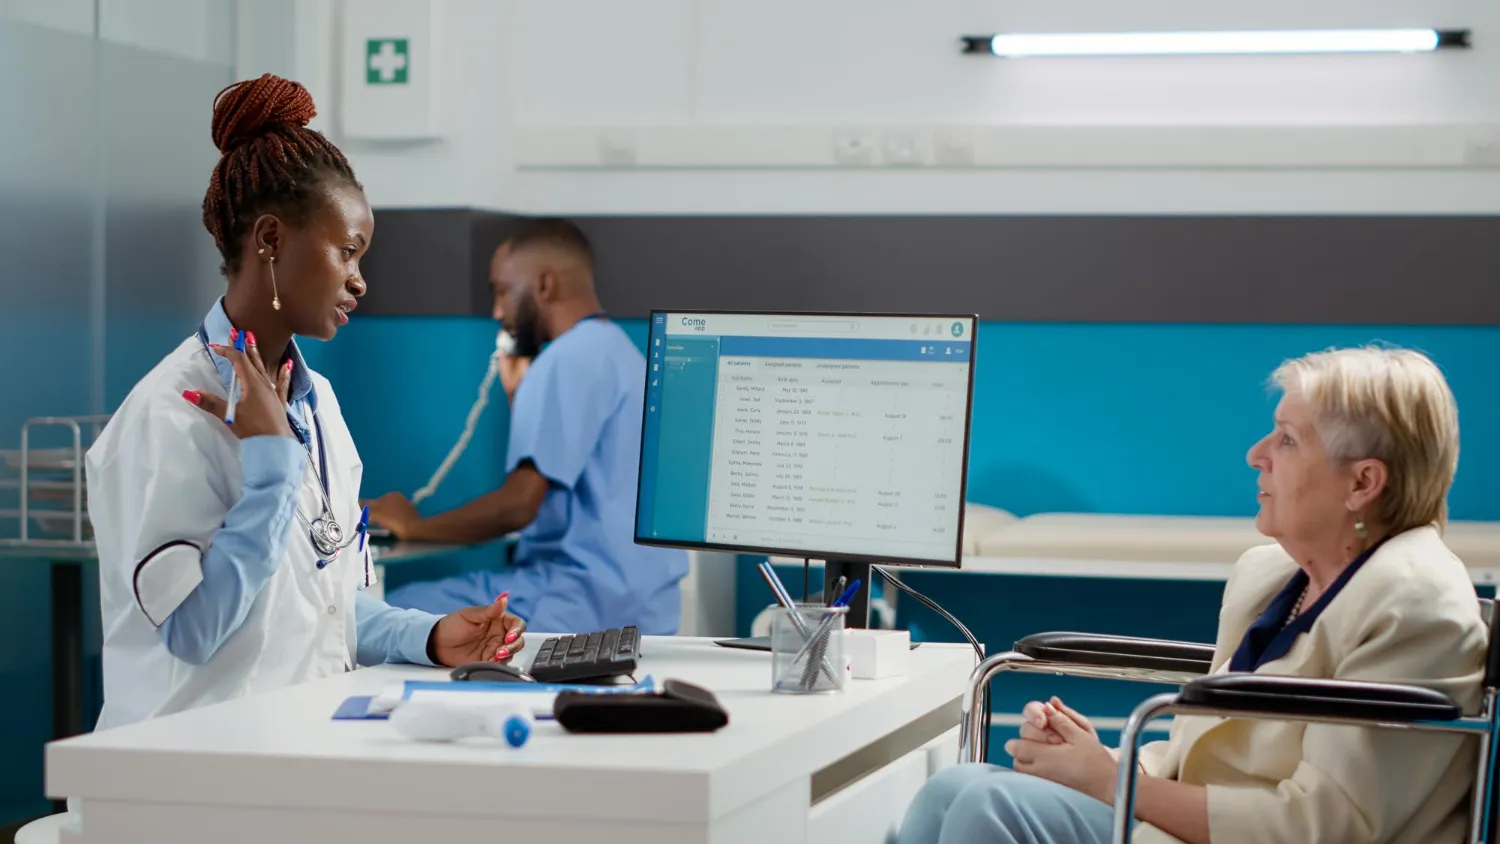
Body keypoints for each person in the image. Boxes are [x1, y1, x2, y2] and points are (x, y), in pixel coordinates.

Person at [897, 346, 1485, 844]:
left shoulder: (1414, 602)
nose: (1256, 454)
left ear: (1362, 482)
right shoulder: (1278, 578)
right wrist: (1104, 764)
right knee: (952, 788)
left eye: (1286, 440)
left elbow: (1323, 824)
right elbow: (1207, 755)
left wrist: (1112, 782)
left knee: (990, 808)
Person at [86, 73, 526, 733]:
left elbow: (325, 603)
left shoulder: (318, 405)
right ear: (269, 239)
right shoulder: (169, 415)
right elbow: (192, 631)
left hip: (299, 739)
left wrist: (428, 636)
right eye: (346, 251)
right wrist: (269, 469)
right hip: (186, 769)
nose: (359, 279)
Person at [367, 219, 689, 635]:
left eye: (502, 291)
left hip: (575, 600)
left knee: (385, 614)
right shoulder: (623, 355)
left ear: (544, 286)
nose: (498, 312)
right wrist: (522, 399)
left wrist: (415, 526)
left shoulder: (564, 360)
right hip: (644, 606)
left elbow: (518, 506)